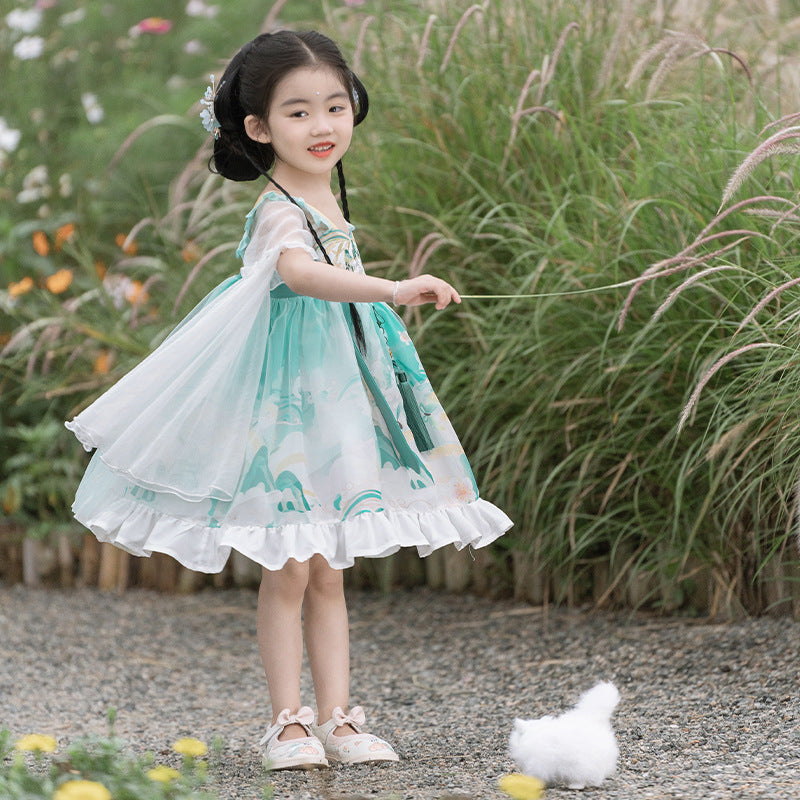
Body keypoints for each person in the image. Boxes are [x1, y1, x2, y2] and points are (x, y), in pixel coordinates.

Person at [65, 30, 512, 770]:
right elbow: (301, 277)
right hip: (292, 414)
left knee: (330, 566)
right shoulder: (281, 210)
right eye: (299, 113)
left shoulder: (327, 199)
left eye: (336, 106)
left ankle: (337, 715)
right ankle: (287, 721)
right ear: (258, 128)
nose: (324, 126)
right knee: (293, 564)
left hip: (339, 403)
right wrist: (394, 289)